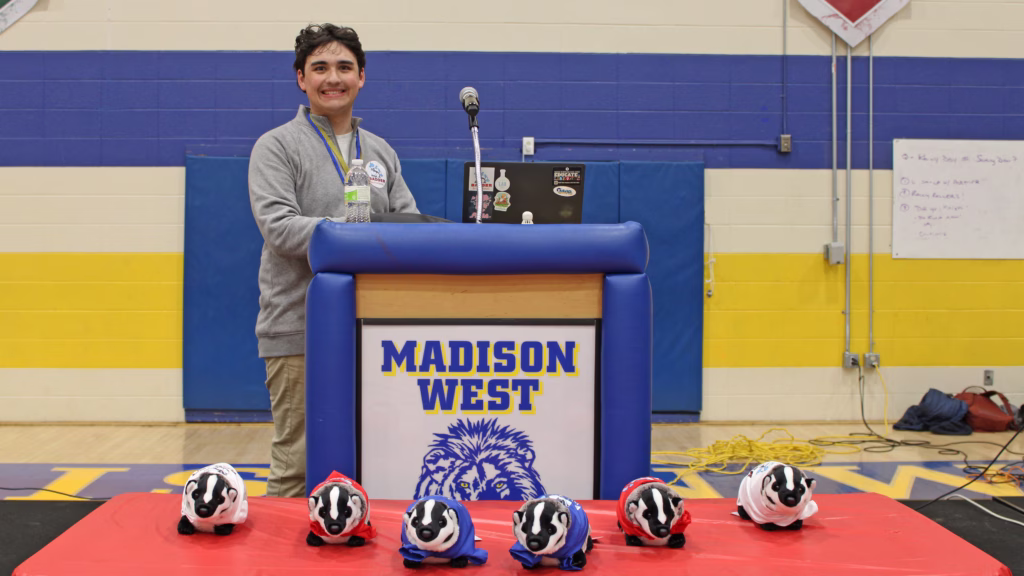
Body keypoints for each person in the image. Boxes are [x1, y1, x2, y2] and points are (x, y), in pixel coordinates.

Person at [248, 23, 419, 498]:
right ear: (300, 78)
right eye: (319, 68)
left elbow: (406, 225)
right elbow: (280, 229)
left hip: (376, 328)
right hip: (298, 327)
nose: (333, 77)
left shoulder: (381, 151)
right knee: (297, 460)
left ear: (362, 76)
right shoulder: (277, 146)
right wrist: (350, 231)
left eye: (344, 67)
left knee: (378, 452)